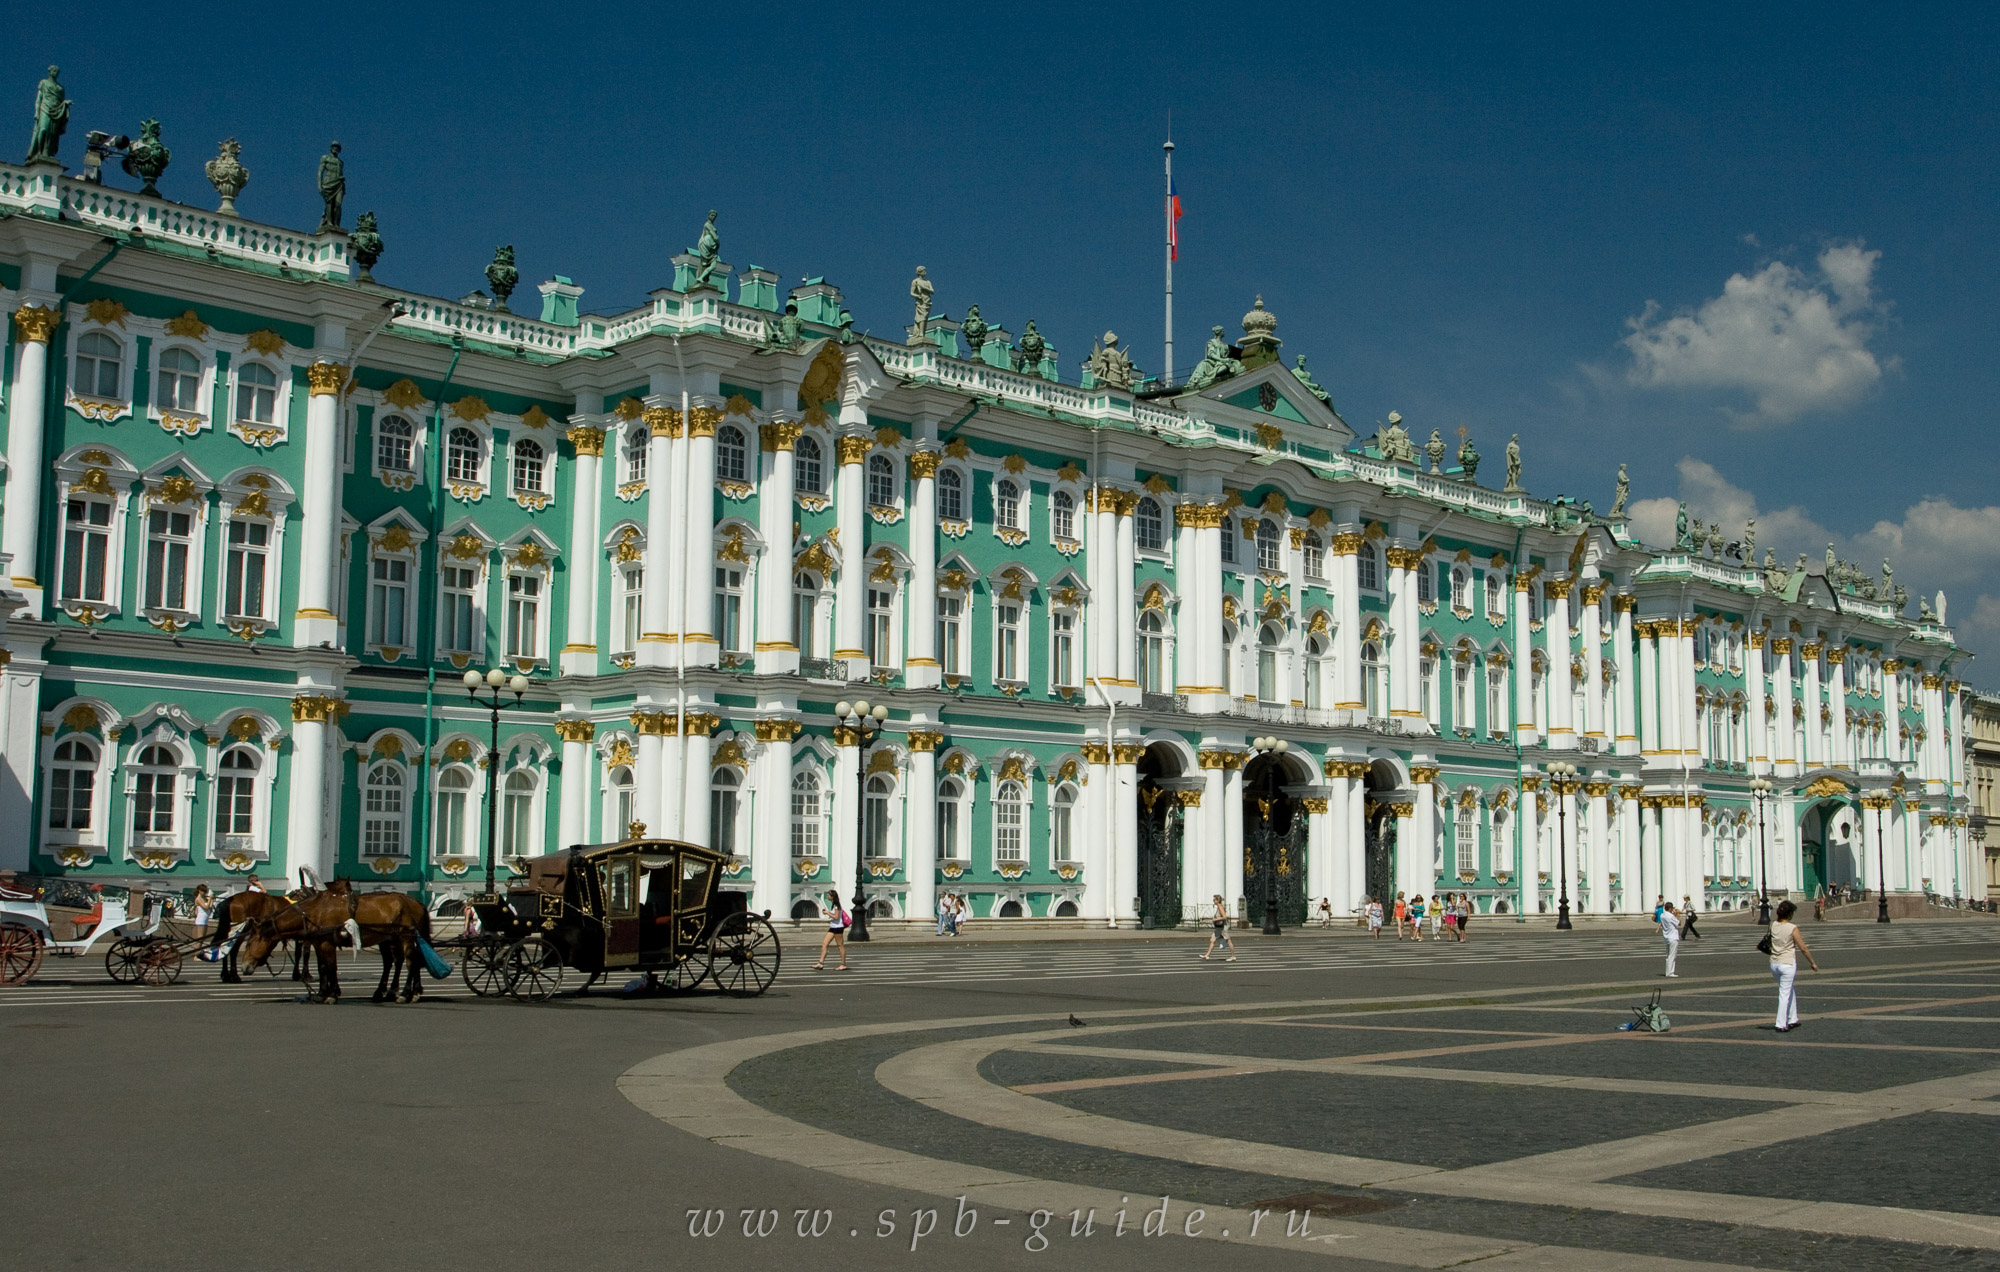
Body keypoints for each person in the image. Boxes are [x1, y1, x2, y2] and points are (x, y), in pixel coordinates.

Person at [1768, 899, 1820, 1032]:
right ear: (1790, 914)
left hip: (1774, 963)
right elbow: (1803, 948)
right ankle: (1780, 1024)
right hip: (1787, 964)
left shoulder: (1773, 925)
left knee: (1789, 989)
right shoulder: (1792, 928)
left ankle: (1793, 1019)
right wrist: (1812, 963)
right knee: (1784, 993)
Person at [813, 890, 849, 971]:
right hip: (833, 927)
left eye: (828, 895)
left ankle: (843, 964)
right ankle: (820, 963)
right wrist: (828, 912)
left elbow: (836, 917)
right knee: (824, 943)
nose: (827, 896)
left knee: (840, 946)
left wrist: (827, 913)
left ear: (832, 897)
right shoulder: (833, 905)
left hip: (838, 927)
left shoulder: (837, 905)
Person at [1201, 894, 1236, 961]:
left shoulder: (1220, 907)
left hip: (1223, 927)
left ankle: (1233, 956)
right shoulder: (1218, 907)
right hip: (1219, 927)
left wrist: (1215, 919)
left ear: (1217, 900)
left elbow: (1224, 917)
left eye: (1214, 899)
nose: (1213, 901)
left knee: (1228, 941)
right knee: (1212, 940)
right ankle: (1207, 955)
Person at [1659, 901, 1681, 977]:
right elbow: (1679, 923)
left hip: (1667, 937)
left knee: (1669, 955)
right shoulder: (1670, 916)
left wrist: (1674, 914)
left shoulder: (1662, 915)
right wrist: (1677, 914)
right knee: (1672, 955)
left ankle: (1668, 972)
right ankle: (1670, 972)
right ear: (1670, 908)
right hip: (1673, 937)